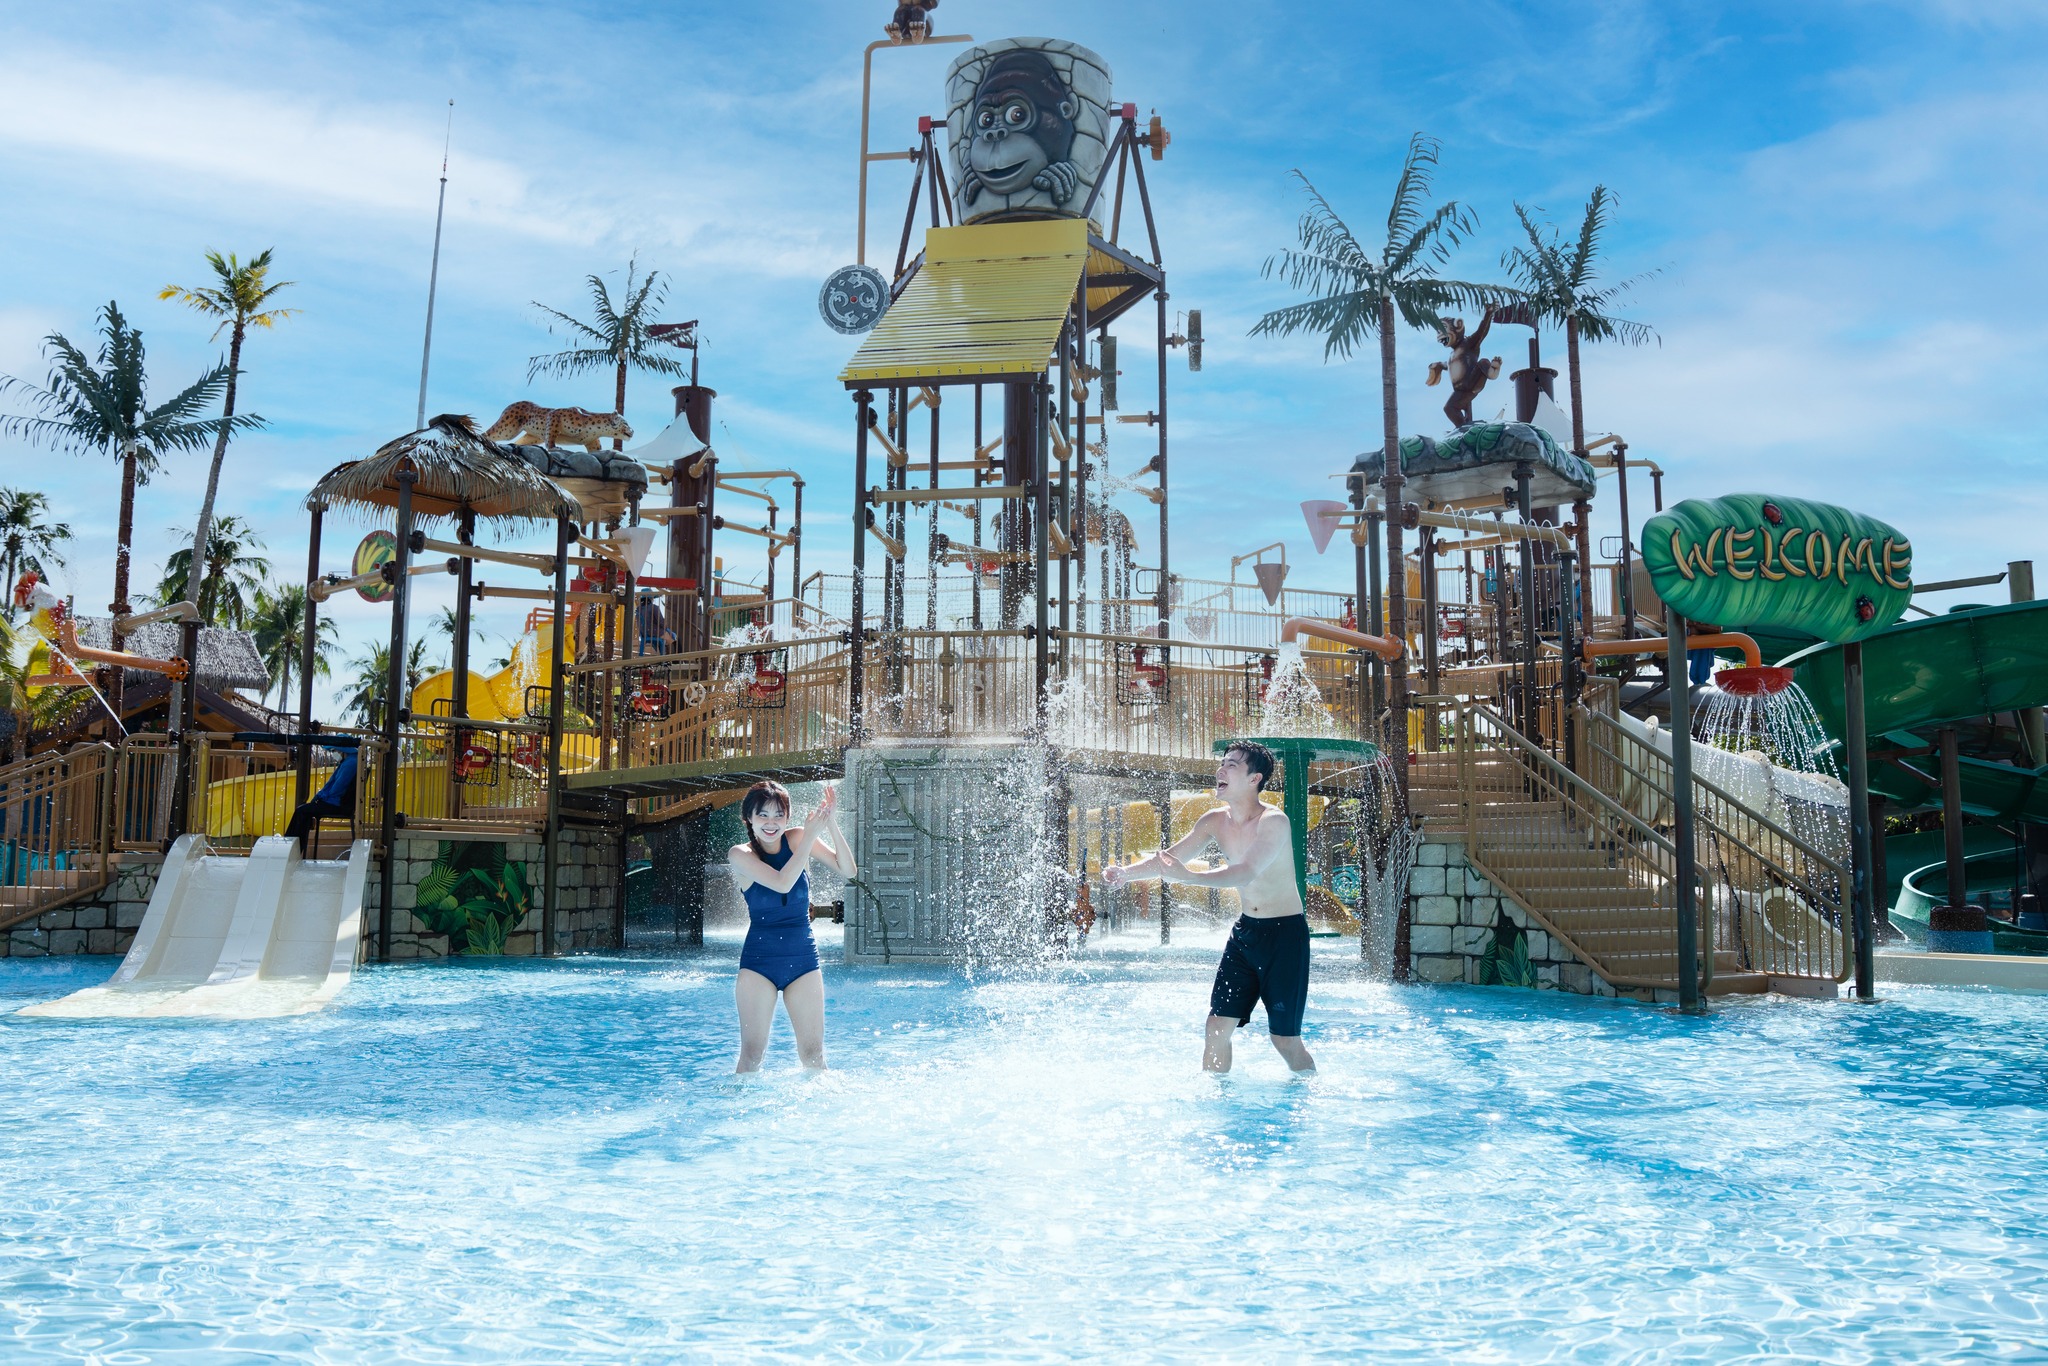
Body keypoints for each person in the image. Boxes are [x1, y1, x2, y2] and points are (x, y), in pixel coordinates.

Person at [1104, 740, 1315, 1075]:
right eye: (1223, 762)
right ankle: (1217, 1097)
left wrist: (1189, 878)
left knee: (1284, 1041)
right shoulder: (1214, 821)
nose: (1221, 769)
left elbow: (1245, 871)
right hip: (1246, 934)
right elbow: (1170, 859)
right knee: (1216, 1028)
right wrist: (1125, 874)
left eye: (1232, 765)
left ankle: (1309, 1089)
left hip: (1284, 936)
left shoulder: (1273, 822)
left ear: (1254, 779)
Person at [728, 780, 856, 1073]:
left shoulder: (798, 838)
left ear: (787, 817)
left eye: (779, 815)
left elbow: (849, 870)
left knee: (813, 1055)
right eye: (763, 815)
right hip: (759, 964)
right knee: (752, 1055)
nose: (771, 823)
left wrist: (830, 822)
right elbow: (782, 882)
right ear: (749, 818)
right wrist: (810, 836)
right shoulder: (740, 854)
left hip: (803, 960)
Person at [283, 746, 358, 855]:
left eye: (334, 751)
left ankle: (289, 848)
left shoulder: (349, 764)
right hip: (340, 802)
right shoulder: (352, 760)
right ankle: (295, 848)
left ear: (342, 750)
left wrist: (321, 797)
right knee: (304, 811)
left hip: (337, 804)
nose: (333, 754)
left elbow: (337, 788)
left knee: (301, 811)